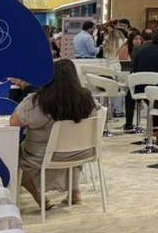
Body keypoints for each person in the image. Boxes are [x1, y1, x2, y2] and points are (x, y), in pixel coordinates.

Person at [9, 59, 98, 209]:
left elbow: (13, 122)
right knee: (73, 144)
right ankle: (74, 191)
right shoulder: (87, 100)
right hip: (80, 154)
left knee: (15, 154)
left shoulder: (36, 102)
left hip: (41, 157)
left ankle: (40, 198)